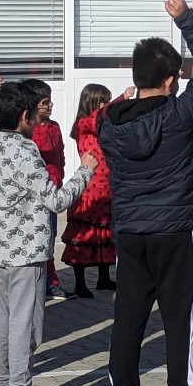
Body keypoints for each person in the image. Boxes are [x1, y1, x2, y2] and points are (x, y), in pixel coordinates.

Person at [100, 0, 193, 386]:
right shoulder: (179, 113)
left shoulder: (109, 124)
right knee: (180, 321)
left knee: (127, 321)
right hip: (174, 230)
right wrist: (185, 18)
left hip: (131, 231)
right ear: (171, 81)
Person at [0, 83, 95, 386]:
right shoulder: (24, 151)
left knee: (2, 322)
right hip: (26, 253)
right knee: (26, 325)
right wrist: (85, 171)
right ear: (25, 116)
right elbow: (56, 200)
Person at [63, 84, 132, 298]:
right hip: (90, 189)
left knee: (105, 235)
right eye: (104, 101)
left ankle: (104, 277)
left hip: (107, 188)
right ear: (92, 102)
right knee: (85, 236)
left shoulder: (103, 127)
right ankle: (80, 283)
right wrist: (121, 98)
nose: (107, 105)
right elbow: (99, 116)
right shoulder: (83, 124)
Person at [23, 78, 75, 301]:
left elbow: (60, 154)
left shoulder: (54, 126)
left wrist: (60, 176)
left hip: (52, 193)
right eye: (45, 102)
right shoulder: (28, 130)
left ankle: (50, 283)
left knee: (49, 239)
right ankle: (35, 284)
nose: (50, 105)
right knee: (35, 240)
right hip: (34, 196)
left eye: (50, 101)